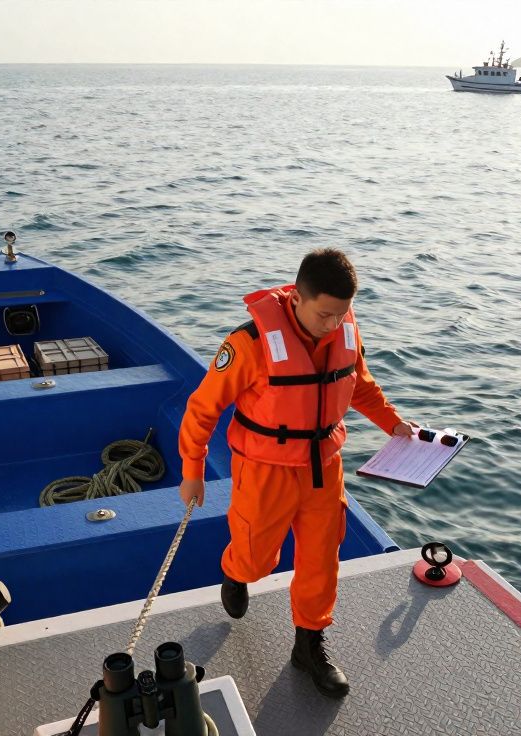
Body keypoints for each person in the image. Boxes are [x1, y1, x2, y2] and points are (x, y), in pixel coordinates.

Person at [177, 248, 414, 699]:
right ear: (298, 299)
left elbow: (358, 382)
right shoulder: (248, 344)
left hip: (324, 467)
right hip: (264, 469)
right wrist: (192, 471)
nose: (333, 324)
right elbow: (202, 409)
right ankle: (235, 570)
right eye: (325, 314)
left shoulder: (345, 326)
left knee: (322, 558)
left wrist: (393, 423)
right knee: (256, 557)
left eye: (341, 314)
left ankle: (309, 643)